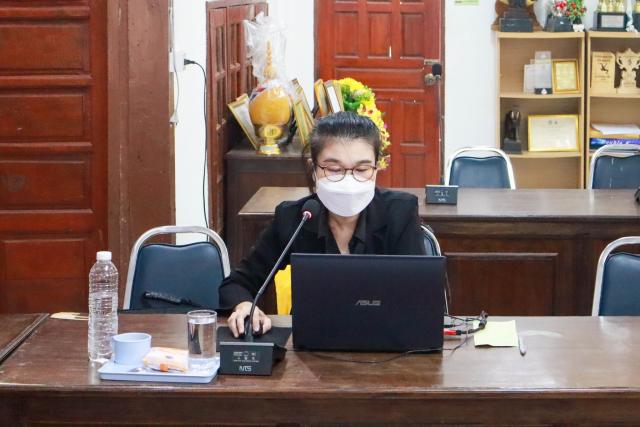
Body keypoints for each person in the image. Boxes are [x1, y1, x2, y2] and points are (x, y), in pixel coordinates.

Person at [220, 111, 426, 337]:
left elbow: (421, 293)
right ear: (314, 169)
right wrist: (244, 306)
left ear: (376, 168)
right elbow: (237, 283)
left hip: (386, 342)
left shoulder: (399, 212)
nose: (349, 180)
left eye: (362, 169)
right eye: (334, 169)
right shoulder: (295, 217)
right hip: (310, 344)